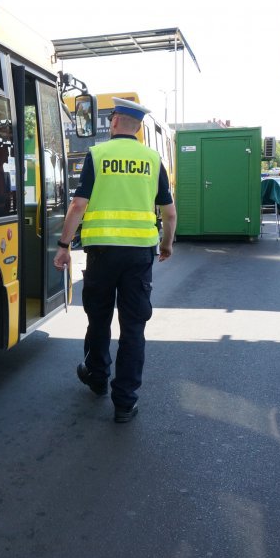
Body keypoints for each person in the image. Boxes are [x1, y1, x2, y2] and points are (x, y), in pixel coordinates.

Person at [52, 98, 177, 424]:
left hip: (102, 253)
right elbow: (169, 212)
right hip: (139, 255)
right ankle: (125, 403)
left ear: (116, 121)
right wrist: (166, 244)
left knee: (99, 319)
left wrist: (64, 245)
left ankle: (96, 377)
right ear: (137, 127)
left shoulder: (98, 155)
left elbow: (78, 206)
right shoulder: (153, 160)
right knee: (134, 327)